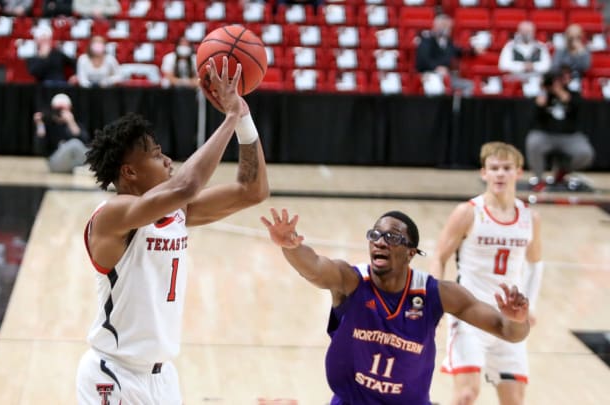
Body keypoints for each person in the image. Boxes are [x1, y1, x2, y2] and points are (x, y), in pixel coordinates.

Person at [76, 57, 269, 404]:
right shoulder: (112, 215)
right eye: (156, 155)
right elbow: (186, 185)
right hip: (113, 375)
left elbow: (252, 190)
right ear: (130, 172)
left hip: (162, 377)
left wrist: (244, 120)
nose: (167, 161)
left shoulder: (178, 212)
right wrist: (229, 117)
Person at [260, 208, 531, 404]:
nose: (380, 241)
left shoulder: (437, 294)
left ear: (411, 252)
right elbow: (316, 269)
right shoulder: (351, 280)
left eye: (392, 238)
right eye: (375, 235)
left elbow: (509, 333)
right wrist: (292, 248)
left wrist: (517, 320)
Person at [431, 142, 543, 405]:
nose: (500, 174)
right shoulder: (469, 212)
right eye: (494, 168)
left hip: (508, 318)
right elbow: (439, 256)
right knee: (467, 396)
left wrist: (532, 305)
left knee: (514, 401)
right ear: (484, 173)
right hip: (470, 313)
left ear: (519, 172)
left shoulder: (529, 217)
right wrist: (436, 301)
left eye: (507, 168)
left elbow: (535, 263)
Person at [525, 70, 594, 191]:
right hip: (546, 135)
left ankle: (562, 171)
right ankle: (538, 178)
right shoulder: (542, 96)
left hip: (570, 136)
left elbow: (579, 111)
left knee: (586, 153)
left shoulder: (574, 94)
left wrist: (561, 94)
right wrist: (540, 105)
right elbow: (531, 120)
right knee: (533, 141)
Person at [415, 14, 481, 96]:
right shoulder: (427, 40)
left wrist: (473, 51)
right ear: (436, 26)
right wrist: (436, 68)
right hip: (429, 73)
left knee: (469, 85)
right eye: (444, 26)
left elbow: (459, 51)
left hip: (447, 75)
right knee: (435, 87)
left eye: (448, 27)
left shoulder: (448, 42)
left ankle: (462, 108)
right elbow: (423, 60)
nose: (446, 29)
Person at [33, 93, 89, 173]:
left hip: (72, 162)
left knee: (89, 148)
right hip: (54, 163)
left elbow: (85, 143)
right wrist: (39, 124)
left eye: (64, 109)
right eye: (58, 109)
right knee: (74, 143)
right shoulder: (48, 124)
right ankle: (91, 168)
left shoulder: (75, 124)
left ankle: (83, 169)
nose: (60, 112)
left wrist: (71, 122)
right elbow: (39, 148)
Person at [551, 24, 591, 89]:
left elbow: (586, 67)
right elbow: (554, 67)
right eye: (571, 37)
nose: (574, 40)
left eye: (577, 37)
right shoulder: (560, 50)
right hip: (561, 80)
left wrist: (580, 52)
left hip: (578, 81)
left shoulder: (584, 51)